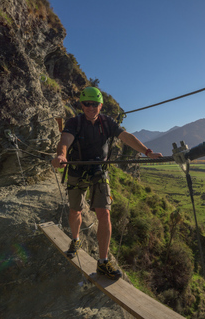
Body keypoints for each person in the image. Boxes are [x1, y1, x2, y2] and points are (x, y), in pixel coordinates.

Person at [51, 87, 162, 280]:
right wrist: (61, 154)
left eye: (94, 104)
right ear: (81, 104)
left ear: (100, 105)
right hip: (77, 169)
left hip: (98, 171)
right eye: (87, 104)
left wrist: (147, 152)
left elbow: (126, 137)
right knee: (75, 210)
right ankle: (76, 240)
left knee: (105, 213)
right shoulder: (74, 122)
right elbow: (65, 139)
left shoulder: (107, 123)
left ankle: (102, 262)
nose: (90, 108)